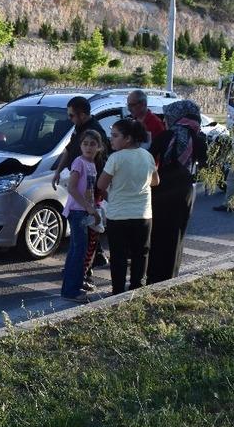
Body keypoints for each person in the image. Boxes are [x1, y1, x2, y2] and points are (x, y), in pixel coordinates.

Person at [147, 100, 208, 285]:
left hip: (161, 189)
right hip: (184, 191)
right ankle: (170, 276)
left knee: (158, 232)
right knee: (176, 233)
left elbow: (149, 159)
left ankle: (153, 276)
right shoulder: (198, 137)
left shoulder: (165, 135)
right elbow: (206, 164)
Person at [97, 119, 159, 295]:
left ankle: (117, 292)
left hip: (118, 216)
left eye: (115, 136)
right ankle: (137, 290)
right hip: (143, 214)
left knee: (119, 257)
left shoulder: (115, 158)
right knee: (141, 254)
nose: (111, 139)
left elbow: (101, 184)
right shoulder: (147, 155)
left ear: (128, 138)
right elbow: (155, 181)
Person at [52, 96, 111, 273]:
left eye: (71, 116)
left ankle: (83, 268)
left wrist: (96, 198)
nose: (70, 119)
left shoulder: (94, 133)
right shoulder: (80, 128)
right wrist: (57, 170)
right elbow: (69, 149)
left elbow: (100, 167)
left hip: (91, 189)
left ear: (82, 114)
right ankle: (87, 264)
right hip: (82, 191)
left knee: (87, 234)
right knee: (86, 234)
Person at [58, 130, 104, 302]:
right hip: (77, 211)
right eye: (85, 143)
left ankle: (72, 285)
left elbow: (90, 190)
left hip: (85, 210)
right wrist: (89, 208)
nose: (88, 147)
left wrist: (94, 207)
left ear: (99, 147)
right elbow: (72, 188)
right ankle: (71, 291)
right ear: (80, 145)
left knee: (77, 250)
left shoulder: (91, 164)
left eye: (93, 144)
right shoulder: (79, 162)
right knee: (79, 251)